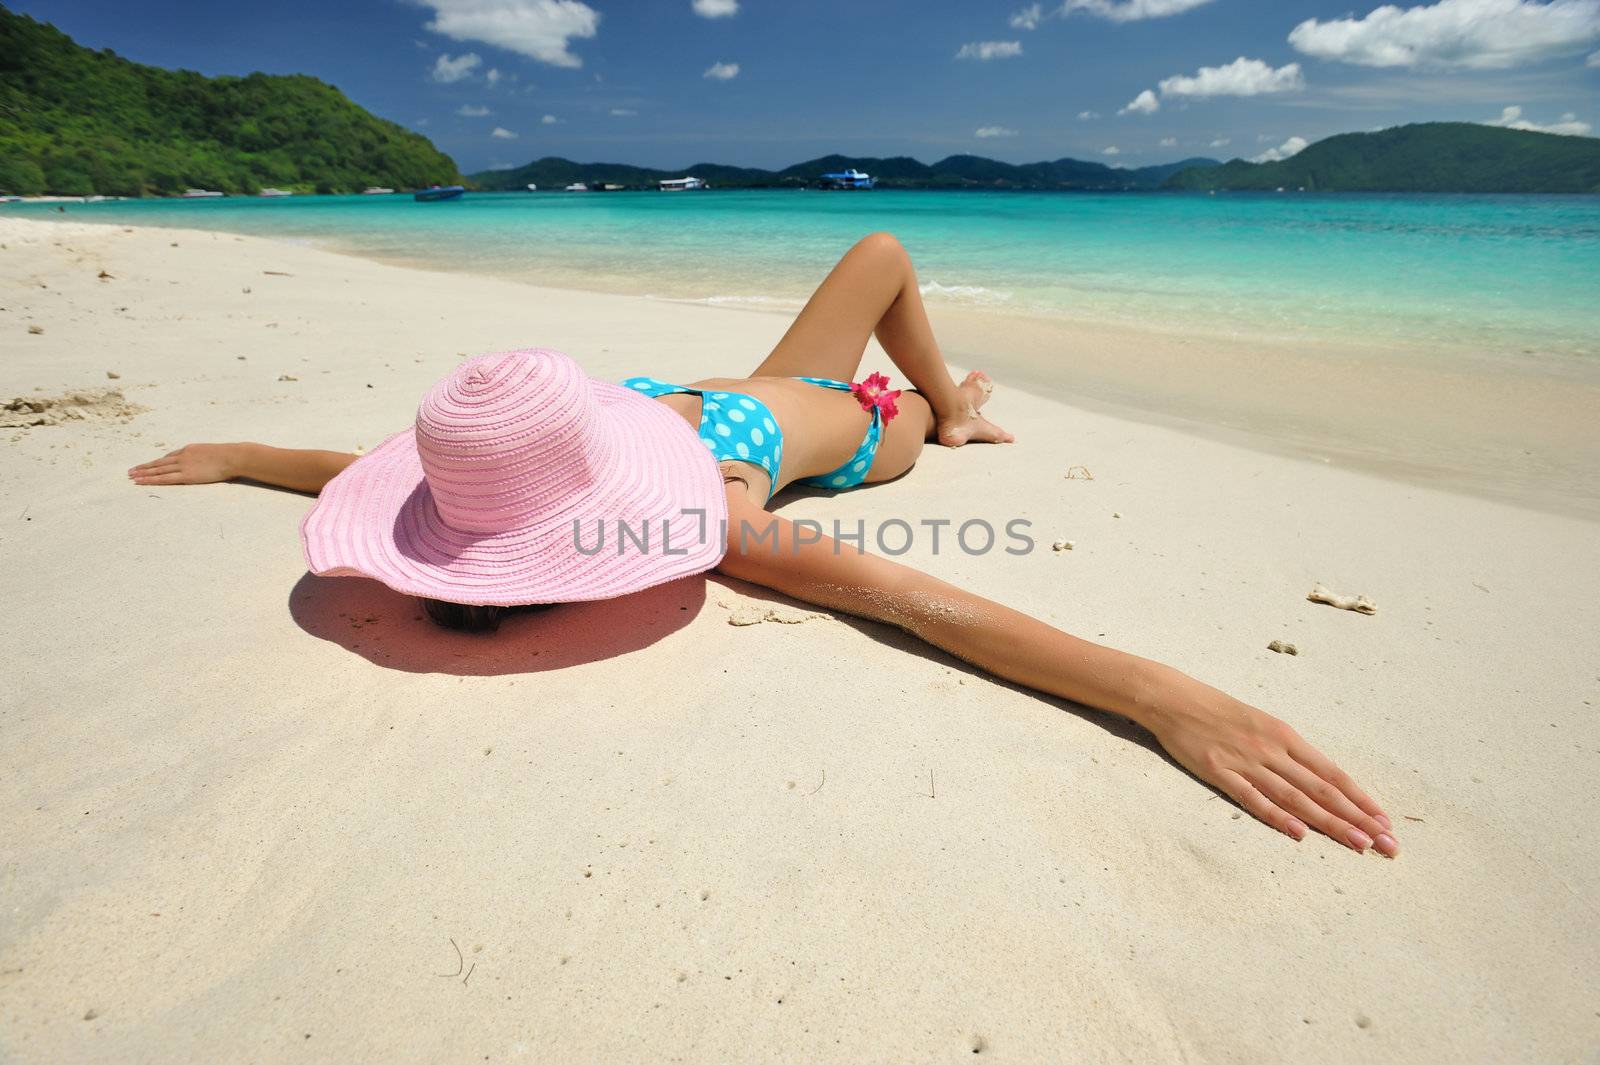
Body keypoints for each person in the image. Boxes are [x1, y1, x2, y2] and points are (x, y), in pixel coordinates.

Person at [128, 232, 1398, 859]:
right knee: (874, 262)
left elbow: (914, 600)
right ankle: (961, 396)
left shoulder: (682, 514)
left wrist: (1164, 697)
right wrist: (240, 456)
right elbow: (394, 477)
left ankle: (953, 410)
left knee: (888, 280)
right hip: (762, 409)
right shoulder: (626, 490)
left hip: (864, 430)